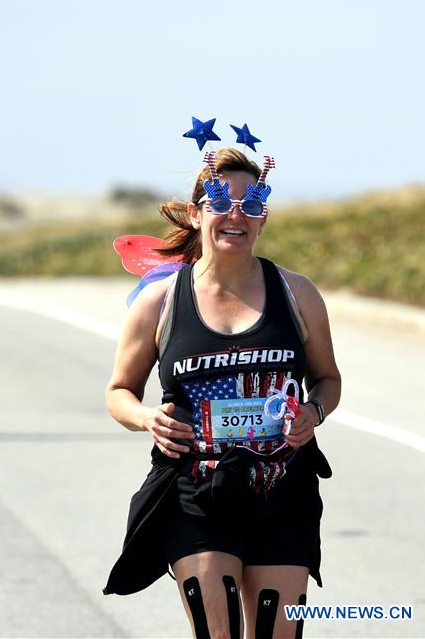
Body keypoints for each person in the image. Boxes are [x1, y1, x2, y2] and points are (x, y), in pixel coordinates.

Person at [103, 146, 342, 638]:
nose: (236, 215)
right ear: (196, 213)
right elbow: (119, 392)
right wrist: (148, 418)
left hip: (283, 490)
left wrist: (313, 412)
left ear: (263, 218)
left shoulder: (297, 294)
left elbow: (329, 380)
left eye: (251, 205)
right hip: (197, 494)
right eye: (220, 201)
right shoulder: (159, 301)